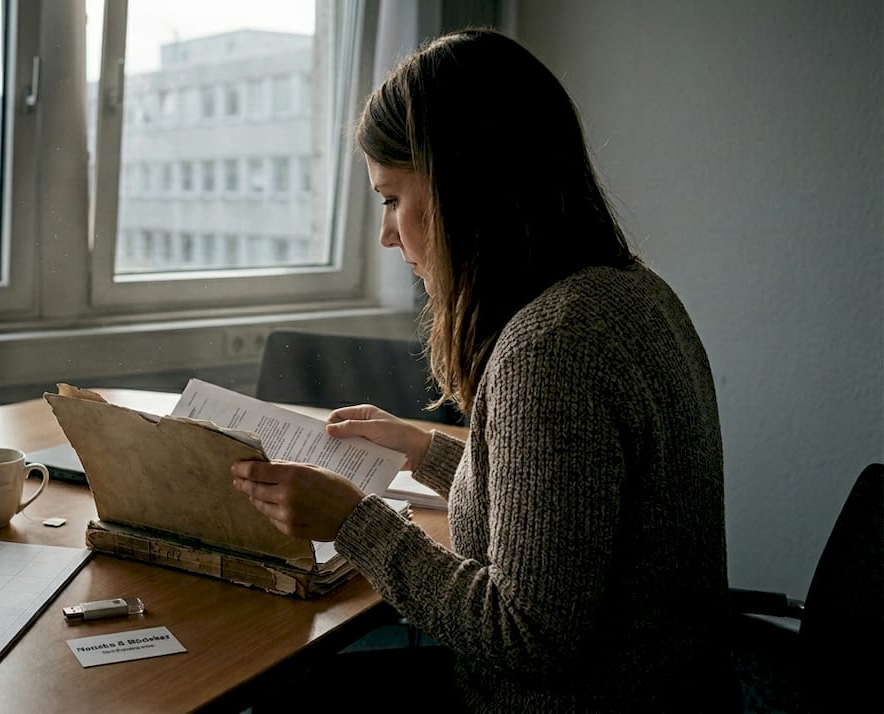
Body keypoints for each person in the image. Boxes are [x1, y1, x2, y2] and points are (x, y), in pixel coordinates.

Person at [230, 28, 734, 712]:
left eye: (389, 198)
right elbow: (568, 510)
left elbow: (526, 635)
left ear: (462, 186)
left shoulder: (553, 347)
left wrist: (352, 521)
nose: (387, 234)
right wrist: (426, 452)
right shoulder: (630, 292)